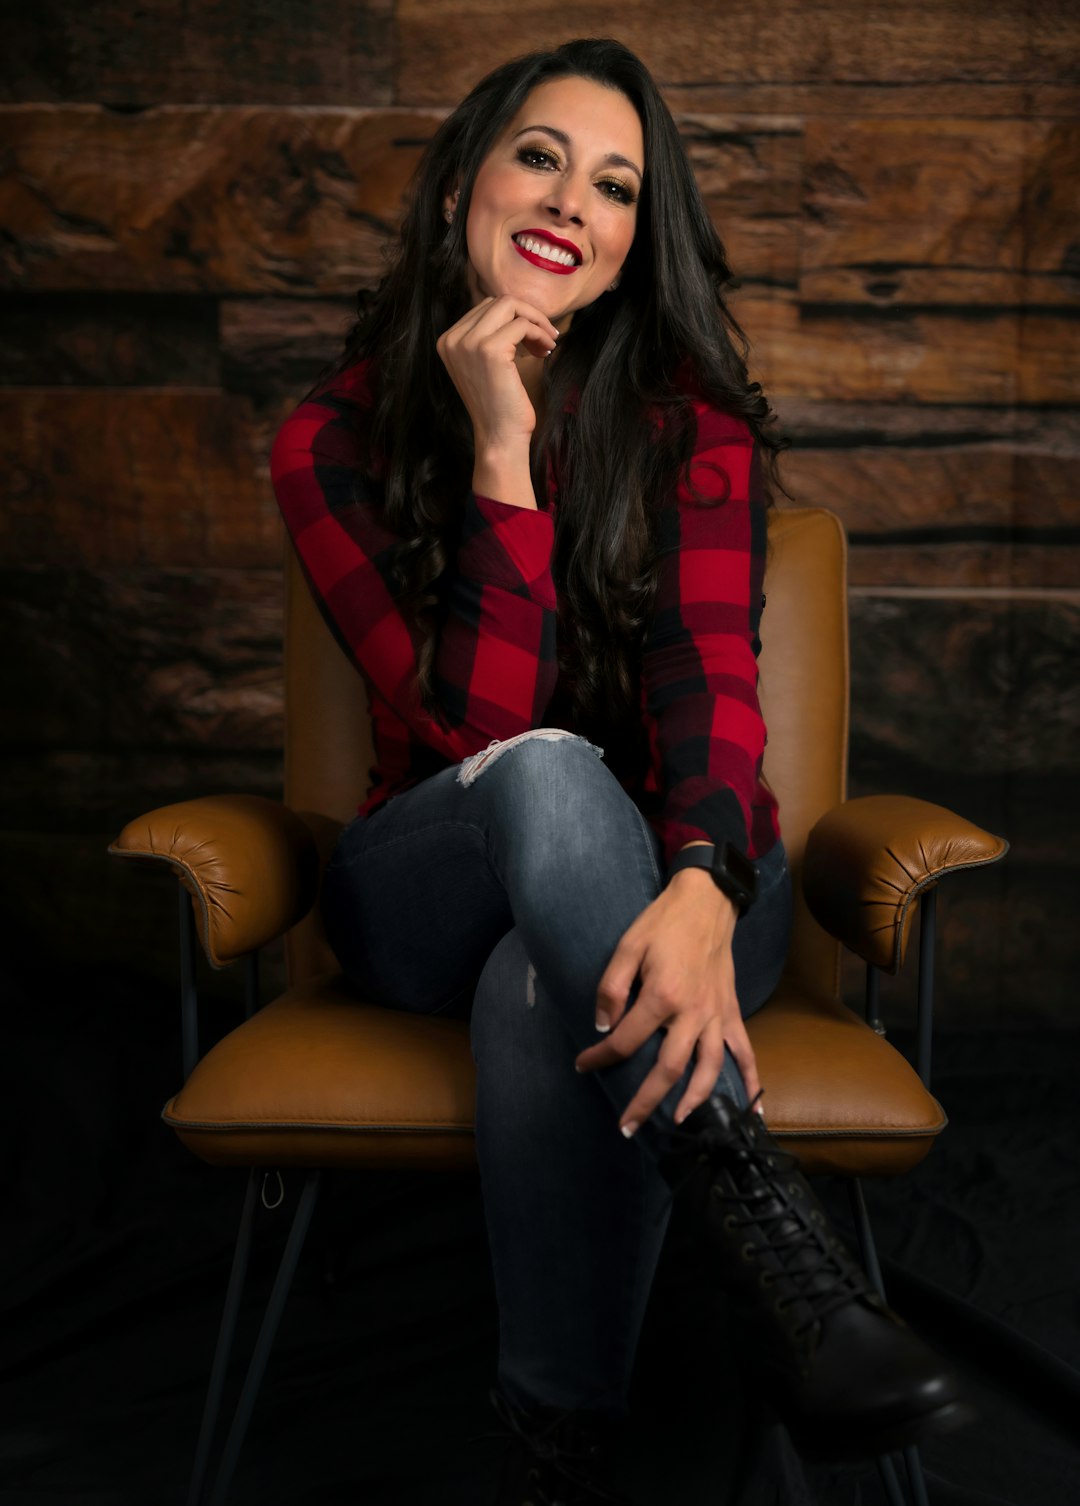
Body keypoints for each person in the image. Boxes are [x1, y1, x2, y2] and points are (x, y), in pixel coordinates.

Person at [270, 38, 964, 1504]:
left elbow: (714, 692)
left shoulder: (689, 428)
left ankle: (557, 1440)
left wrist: (709, 877)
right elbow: (473, 733)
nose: (570, 201)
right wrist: (502, 454)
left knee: (544, 978)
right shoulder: (328, 440)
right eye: (540, 156)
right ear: (464, 181)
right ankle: (766, 1224)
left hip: (684, 890)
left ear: (636, 241)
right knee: (541, 772)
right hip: (429, 880)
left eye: (616, 184)